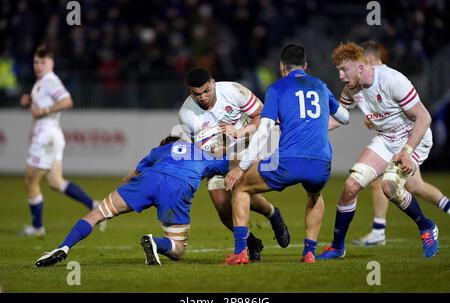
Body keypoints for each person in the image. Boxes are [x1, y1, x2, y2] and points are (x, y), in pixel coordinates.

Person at [224, 44, 350, 265]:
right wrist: (314, 126)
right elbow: (345, 117)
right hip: (321, 163)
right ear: (306, 65)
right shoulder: (320, 85)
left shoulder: (277, 89)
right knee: (315, 195)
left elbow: (263, 131)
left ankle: (240, 251)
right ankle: (309, 252)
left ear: (282, 66)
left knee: (242, 186)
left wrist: (241, 167)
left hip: (288, 162)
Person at [317, 42, 439, 260]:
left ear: (361, 67)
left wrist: (407, 151)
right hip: (386, 139)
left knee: (389, 187)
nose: (341, 75)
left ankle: (426, 227)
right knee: (350, 187)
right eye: (339, 70)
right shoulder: (351, 89)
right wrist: (307, 128)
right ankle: (337, 247)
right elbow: (339, 118)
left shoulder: (392, 80)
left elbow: (424, 117)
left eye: (345, 69)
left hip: (414, 139)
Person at [35, 136, 231, 267]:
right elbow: (231, 167)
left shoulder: (158, 151)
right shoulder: (203, 155)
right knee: (177, 249)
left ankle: (64, 247)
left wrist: (130, 195)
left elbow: (129, 177)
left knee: (96, 215)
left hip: (148, 180)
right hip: (178, 187)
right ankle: (155, 242)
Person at [178, 67, 290, 262]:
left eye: (206, 91)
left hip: (246, 145)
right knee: (222, 205)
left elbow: (261, 116)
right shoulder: (186, 114)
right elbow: (202, 148)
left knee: (240, 189)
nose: (203, 97)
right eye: (197, 94)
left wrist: (241, 132)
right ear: (190, 92)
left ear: (213, 83)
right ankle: (251, 241)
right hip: (218, 156)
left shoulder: (233, 91)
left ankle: (272, 214)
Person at [353, 41, 450, 246]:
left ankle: (380, 231)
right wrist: (375, 118)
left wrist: (406, 149)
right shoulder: (371, 80)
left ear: (367, 60)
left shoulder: (389, 78)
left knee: (381, 181)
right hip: (395, 140)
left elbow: (419, 115)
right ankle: (448, 207)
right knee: (415, 186)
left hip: (407, 141)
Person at [20, 45, 103, 237]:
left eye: (43, 62)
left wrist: (43, 111)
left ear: (51, 63)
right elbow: (43, 105)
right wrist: (31, 102)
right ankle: (94, 205)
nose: (39, 65)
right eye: (36, 62)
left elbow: (67, 101)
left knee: (30, 182)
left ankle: (37, 227)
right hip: (51, 134)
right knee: (56, 182)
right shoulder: (41, 82)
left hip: (46, 136)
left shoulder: (50, 81)